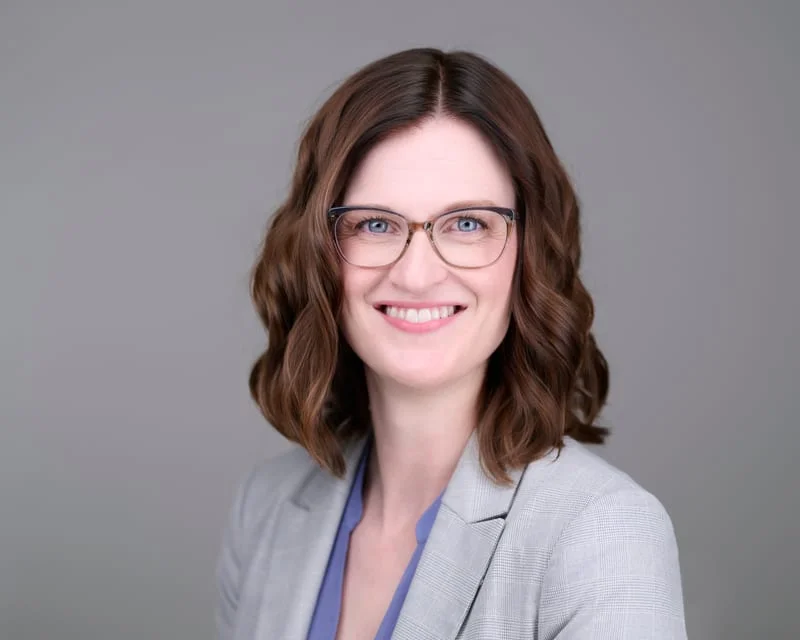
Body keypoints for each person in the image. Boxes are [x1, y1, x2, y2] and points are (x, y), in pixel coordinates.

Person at [215, 47, 687, 640]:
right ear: (318, 255)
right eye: (375, 223)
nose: (416, 274)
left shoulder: (603, 534)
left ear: (528, 254)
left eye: (467, 223)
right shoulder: (266, 507)